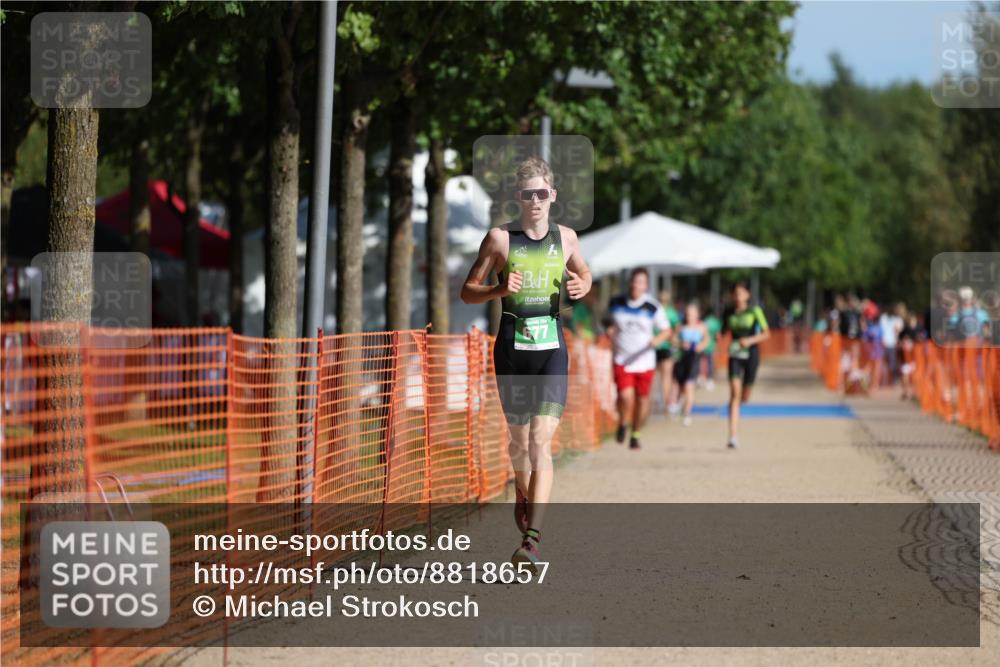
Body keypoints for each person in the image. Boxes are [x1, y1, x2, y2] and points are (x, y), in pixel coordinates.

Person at [460, 155, 592, 572]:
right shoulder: (499, 240)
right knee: (518, 444)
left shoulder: (567, 238)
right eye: (526, 194)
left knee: (540, 442)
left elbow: (586, 275)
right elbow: (467, 291)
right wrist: (499, 288)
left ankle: (531, 541)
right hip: (512, 351)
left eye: (541, 193)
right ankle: (523, 492)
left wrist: (582, 285)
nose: (534, 200)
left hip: (552, 349)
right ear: (518, 198)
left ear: (552, 195)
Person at [605, 268, 673, 449]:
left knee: (642, 400)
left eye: (641, 282)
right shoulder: (616, 302)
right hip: (622, 359)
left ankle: (635, 433)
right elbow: (608, 322)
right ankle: (622, 423)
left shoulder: (652, 307)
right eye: (634, 281)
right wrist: (609, 330)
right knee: (626, 397)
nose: (636, 285)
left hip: (645, 361)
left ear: (646, 286)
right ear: (630, 283)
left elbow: (667, 330)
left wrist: (657, 340)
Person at [722, 282, 770, 449]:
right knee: (734, 393)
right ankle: (733, 435)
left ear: (748, 295)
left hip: (751, 355)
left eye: (741, 293)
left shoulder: (755, 311)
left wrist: (749, 340)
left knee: (744, 396)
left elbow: (766, 333)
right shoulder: (728, 312)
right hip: (734, 355)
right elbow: (722, 333)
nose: (738, 297)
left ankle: (740, 401)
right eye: (735, 293)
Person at [673, 302, 710, 426]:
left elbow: (707, 341)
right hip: (682, 360)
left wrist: (700, 346)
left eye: (692, 314)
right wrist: (680, 344)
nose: (689, 316)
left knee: (689, 386)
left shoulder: (702, 327)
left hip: (694, 360)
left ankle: (687, 413)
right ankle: (680, 404)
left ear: (697, 314)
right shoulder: (681, 326)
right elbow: (672, 339)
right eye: (687, 314)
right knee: (681, 386)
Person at [654, 290, 682, 414]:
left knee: (656, 376)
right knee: (666, 376)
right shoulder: (671, 312)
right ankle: (665, 405)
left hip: (654, 346)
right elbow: (677, 328)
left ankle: (654, 404)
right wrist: (672, 337)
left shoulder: (653, 310)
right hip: (665, 346)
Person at [700, 307, 722, 391]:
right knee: (710, 363)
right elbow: (718, 335)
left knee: (702, 361)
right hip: (711, 345)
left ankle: (702, 377)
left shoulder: (704, 321)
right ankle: (709, 379)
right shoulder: (716, 322)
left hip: (703, 345)